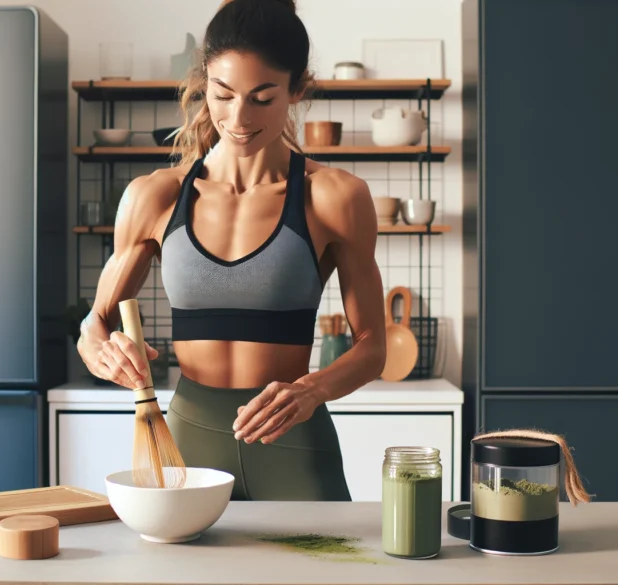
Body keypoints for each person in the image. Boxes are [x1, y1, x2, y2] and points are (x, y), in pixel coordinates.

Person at [76, 0, 386, 501]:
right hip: (186, 445)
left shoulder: (334, 197)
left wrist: (312, 390)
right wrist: (102, 351)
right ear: (205, 85)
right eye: (223, 95)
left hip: (295, 445)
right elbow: (95, 324)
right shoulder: (154, 196)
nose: (238, 118)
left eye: (263, 98)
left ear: (297, 90)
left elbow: (373, 347)